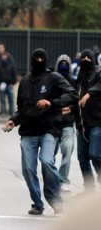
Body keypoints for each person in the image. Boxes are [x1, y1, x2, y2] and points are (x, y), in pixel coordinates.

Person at [3, 48, 78, 215]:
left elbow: (73, 95)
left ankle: (55, 199)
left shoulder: (54, 78)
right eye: (36, 58)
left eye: (41, 58)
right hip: (28, 131)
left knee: (46, 161)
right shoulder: (25, 82)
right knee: (28, 170)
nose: (39, 61)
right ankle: (37, 203)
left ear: (46, 60)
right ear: (31, 60)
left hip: (48, 129)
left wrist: (52, 103)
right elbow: (22, 109)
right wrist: (13, 120)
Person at [74, 49, 101, 195]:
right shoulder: (80, 76)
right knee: (82, 158)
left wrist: (89, 94)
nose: (85, 59)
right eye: (83, 57)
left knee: (95, 154)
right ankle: (89, 189)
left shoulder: (98, 72)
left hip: (97, 122)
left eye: (88, 57)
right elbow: (73, 95)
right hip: (82, 125)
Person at [53, 54, 76, 193]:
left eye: (66, 63)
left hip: (67, 122)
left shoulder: (73, 81)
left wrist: (71, 108)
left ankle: (63, 179)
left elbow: (77, 99)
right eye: (61, 63)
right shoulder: (52, 80)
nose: (63, 66)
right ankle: (52, 178)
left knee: (67, 149)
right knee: (49, 154)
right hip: (53, 123)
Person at [0, 42, 17, 116]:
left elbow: (14, 71)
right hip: (1, 83)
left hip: (9, 83)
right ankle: (3, 112)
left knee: (11, 99)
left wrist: (13, 82)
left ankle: (12, 112)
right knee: (2, 99)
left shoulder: (10, 62)